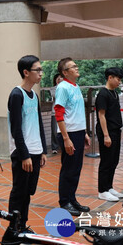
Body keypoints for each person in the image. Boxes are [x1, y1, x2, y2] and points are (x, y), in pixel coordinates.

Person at [7, 55, 47, 232]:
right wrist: (24, 155)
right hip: (23, 152)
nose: (41, 73)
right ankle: (14, 228)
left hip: (36, 151)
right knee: (19, 192)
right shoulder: (17, 94)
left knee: (28, 192)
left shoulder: (35, 96)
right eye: (37, 70)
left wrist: (43, 150)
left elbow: (38, 123)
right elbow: (16, 129)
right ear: (25, 72)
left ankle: (23, 225)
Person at [54, 57, 90, 217]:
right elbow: (59, 113)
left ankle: (72, 198)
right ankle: (65, 202)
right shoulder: (62, 88)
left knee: (76, 168)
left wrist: (85, 133)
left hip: (78, 132)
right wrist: (66, 138)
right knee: (69, 168)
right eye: (72, 67)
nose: (76, 68)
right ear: (65, 72)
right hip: (68, 133)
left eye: (76, 65)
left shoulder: (75, 86)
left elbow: (77, 112)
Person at [96, 67, 123, 202]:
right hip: (107, 132)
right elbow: (101, 116)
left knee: (114, 160)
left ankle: (109, 187)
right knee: (106, 161)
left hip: (115, 130)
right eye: (118, 79)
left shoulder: (114, 93)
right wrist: (106, 135)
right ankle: (102, 190)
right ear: (110, 78)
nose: (119, 82)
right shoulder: (103, 94)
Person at [50, 74, 63, 154]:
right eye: (57, 78)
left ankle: (62, 146)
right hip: (54, 112)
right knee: (54, 130)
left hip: (64, 112)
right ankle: (54, 147)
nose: (59, 79)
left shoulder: (65, 87)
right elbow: (56, 96)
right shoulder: (53, 89)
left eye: (60, 78)